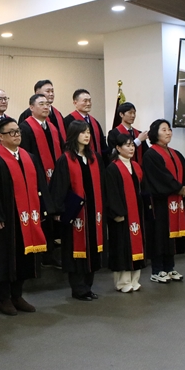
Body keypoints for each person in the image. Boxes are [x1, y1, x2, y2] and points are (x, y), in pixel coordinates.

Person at [0, 118, 54, 315]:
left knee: (23, 257)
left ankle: (17, 295)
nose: (17, 135)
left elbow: (40, 186)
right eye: (11, 132)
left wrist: (42, 211)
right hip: (5, 220)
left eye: (18, 131)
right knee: (4, 258)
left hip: (26, 219)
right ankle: (4, 299)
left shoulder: (29, 157)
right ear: (0, 136)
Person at [50, 121, 105, 300]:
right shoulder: (65, 159)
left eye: (88, 132)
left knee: (92, 249)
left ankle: (88, 286)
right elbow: (59, 187)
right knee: (76, 251)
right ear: (74, 135)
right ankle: (79, 289)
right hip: (76, 213)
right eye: (83, 132)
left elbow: (102, 184)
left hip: (94, 211)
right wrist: (58, 211)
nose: (87, 135)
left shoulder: (95, 158)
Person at [142, 119, 185, 283]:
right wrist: (179, 188)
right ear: (155, 133)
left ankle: (169, 267)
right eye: (164, 130)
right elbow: (160, 177)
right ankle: (157, 270)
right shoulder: (150, 155)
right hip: (160, 203)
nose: (168, 133)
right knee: (160, 235)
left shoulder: (175, 153)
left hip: (175, 202)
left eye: (169, 129)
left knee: (172, 236)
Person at [20, 93, 64, 269]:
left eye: (47, 104)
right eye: (41, 104)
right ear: (31, 107)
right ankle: (41, 254)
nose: (46, 107)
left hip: (54, 179)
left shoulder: (52, 127)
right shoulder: (25, 128)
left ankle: (50, 252)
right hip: (37, 180)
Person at [105, 134, 146, 293]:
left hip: (136, 213)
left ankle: (135, 279)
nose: (131, 148)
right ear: (118, 148)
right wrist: (117, 212)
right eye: (127, 145)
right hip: (121, 215)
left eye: (132, 145)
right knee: (122, 247)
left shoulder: (136, 166)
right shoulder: (113, 168)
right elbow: (111, 193)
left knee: (136, 245)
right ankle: (123, 282)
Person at [63, 89, 108, 156]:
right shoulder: (68, 121)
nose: (88, 103)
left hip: (96, 159)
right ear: (75, 103)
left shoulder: (94, 122)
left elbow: (102, 145)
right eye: (85, 101)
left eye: (89, 101)